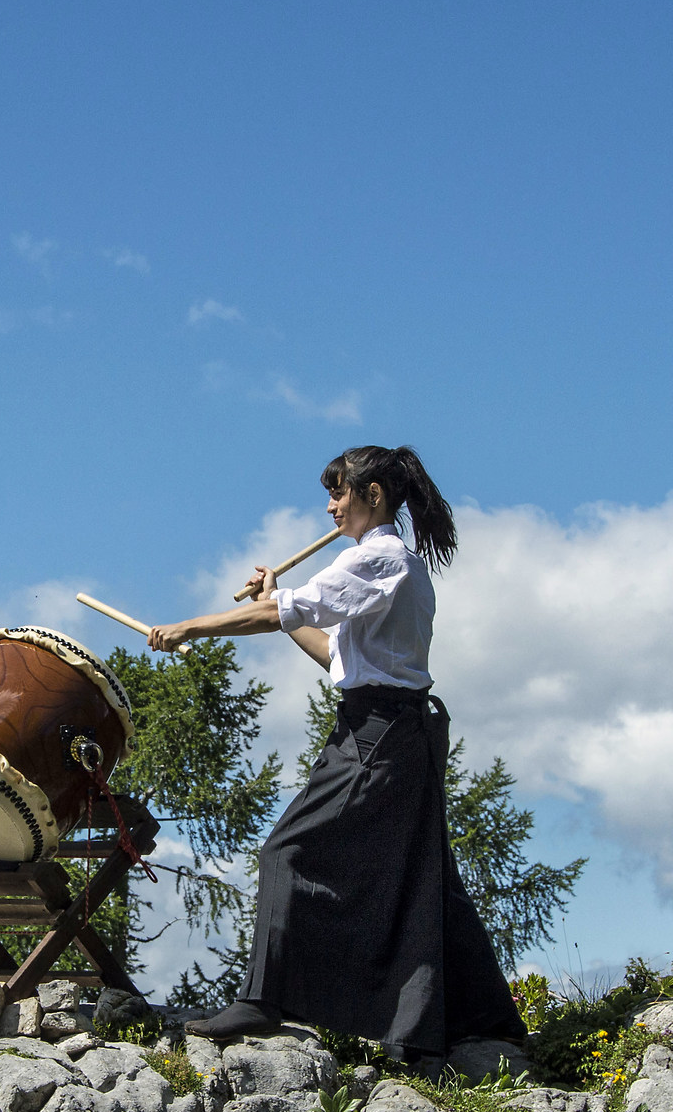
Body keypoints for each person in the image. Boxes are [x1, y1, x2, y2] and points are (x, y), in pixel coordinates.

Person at [144, 445, 526, 1060]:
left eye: (340, 492)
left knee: (287, 849)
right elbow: (333, 655)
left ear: (373, 495)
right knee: (424, 874)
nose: (330, 506)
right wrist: (281, 595)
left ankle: (264, 999)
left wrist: (193, 626)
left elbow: (278, 616)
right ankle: (485, 1021)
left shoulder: (380, 557)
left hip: (378, 733)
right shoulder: (384, 563)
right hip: (390, 728)